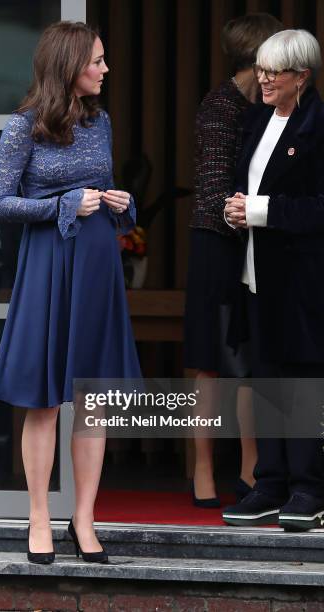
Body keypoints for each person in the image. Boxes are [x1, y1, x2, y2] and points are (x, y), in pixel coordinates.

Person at [0, 21, 141, 562]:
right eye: (96, 60)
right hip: (48, 262)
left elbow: (99, 183)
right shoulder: (23, 126)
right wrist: (63, 205)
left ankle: (84, 518)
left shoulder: (101, 123)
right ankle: (37, 518)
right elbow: (1, 203)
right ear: (68, 65)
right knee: (45, 399)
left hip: (97, 260)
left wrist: (117, 201)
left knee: (93, 400)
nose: (104, 69)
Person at [223, 29, 324, 530]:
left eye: (274, 72)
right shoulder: (258, 119)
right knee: (264, 377)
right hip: (256, 273)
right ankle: (270, 482)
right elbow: (248, 188)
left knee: (300, 380)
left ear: (301, 77)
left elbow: (319, 209)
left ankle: (309, 486)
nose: (262, 79)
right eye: (261, 68)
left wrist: (259, 210)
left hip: (302, 279)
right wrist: (236, 209)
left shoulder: (318, 127)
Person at [184, 13, 281, 507]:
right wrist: (246, 215)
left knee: (246, 359)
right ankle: (203, 469)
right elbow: (214, 185)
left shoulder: (270, 108)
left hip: (254, 241)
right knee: (209, 363)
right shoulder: (220, 106)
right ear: (258, 56)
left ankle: (250, 465)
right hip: (216, 242)